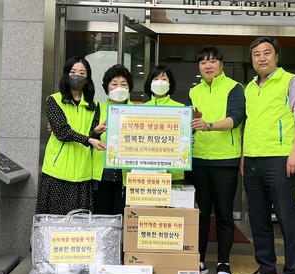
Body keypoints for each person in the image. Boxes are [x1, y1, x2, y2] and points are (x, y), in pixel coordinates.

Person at [238, 37, 295, 274]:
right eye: (256, 54)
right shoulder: (249, 88)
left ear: (277, 56)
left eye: (266, 53)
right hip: (253, 160)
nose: (261, 58)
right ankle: (266, 268)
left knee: (287, 220)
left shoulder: (291, 81)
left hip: (281, 159)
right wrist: (244, 155)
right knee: (258, 219)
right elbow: (249, 124)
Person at [187, 47, 245, 274]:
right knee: (199, 213)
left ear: (221, 64)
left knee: (224, 214)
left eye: (212, 61)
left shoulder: (234, 88)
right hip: (199, 159)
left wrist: (208, 125)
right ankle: (199, 259)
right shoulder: (194, 91)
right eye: (203, 62)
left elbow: (236, 118)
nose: (208, 66)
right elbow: (190, 122)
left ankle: (223, 261)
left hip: (224, 160)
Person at [36, 56, 105, 216]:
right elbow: (62, 132)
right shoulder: (54, 100)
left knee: (79, 224)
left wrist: (96, 132)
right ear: (66, 75)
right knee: (54, 222)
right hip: (57, 171)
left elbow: (91, 138)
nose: (77, 76)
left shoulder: (94, 105)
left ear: (87, 78)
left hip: (82, 173)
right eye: (73, 72)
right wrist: (89, 139)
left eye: (82, 73)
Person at [92, 64, 133, 216]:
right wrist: (96, 132)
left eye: (124, 84)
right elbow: (86, 135)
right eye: (114, 84)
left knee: (127, 218)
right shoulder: (96, 109)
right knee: (102, 217)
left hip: (128, 175)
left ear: (129, 87)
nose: (119, 88)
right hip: (102, 174)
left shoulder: (139, 111)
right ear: (107, 87)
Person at [143, 64, 184, 182]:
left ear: (170, 83)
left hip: (173, 170)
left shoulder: (181, 109)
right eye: (155, 79)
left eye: (164, 79)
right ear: (150, 83)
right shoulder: (140, 109)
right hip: (145, 169)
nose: (159, 82)